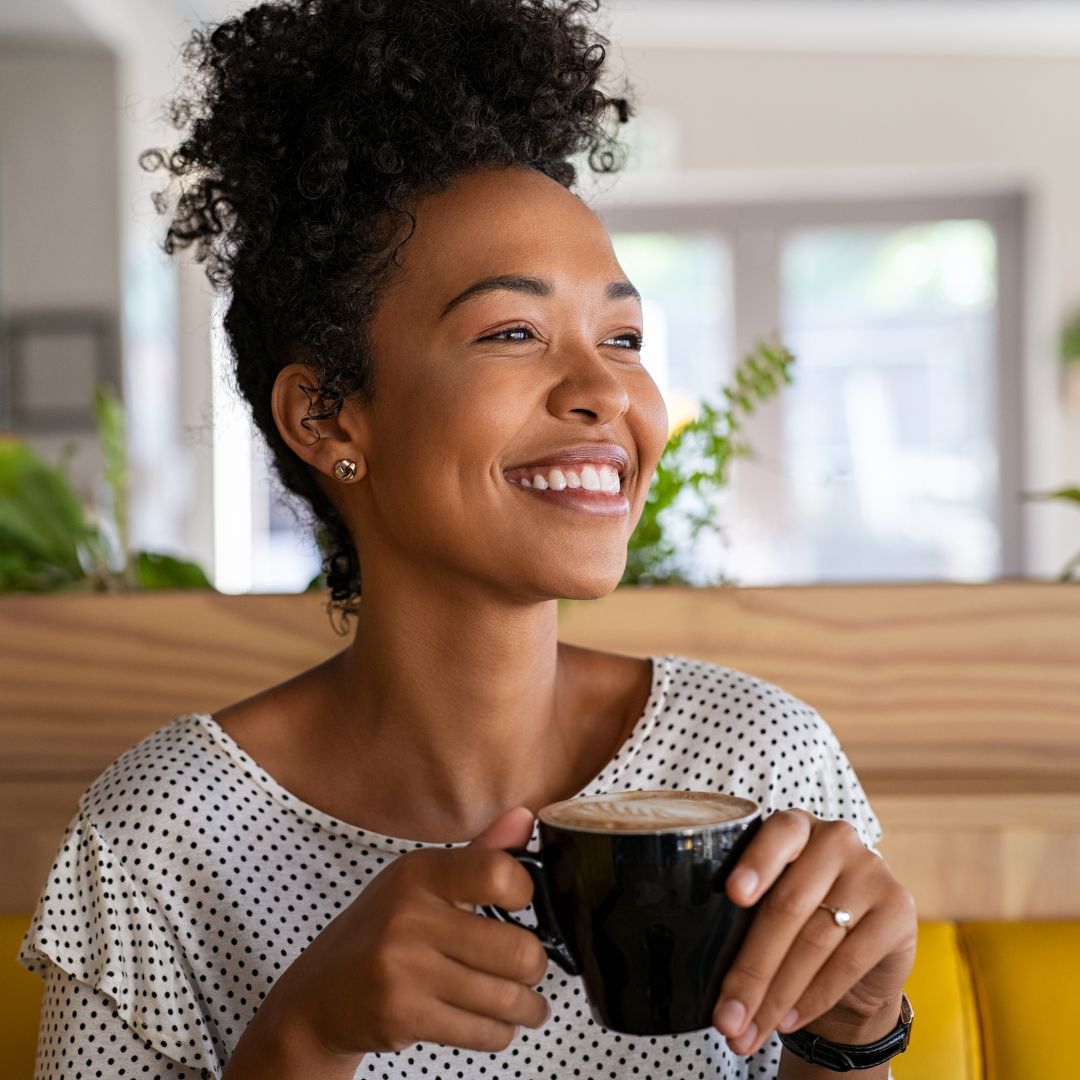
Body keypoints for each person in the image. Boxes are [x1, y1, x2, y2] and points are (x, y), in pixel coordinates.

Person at [18, 1, 917, 1077]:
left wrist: (857, 1032)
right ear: (328, 418)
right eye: (513, 333)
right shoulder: (157, 838)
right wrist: (307, 1033)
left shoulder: (760, 760)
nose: (605, 392)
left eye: (624, 338)